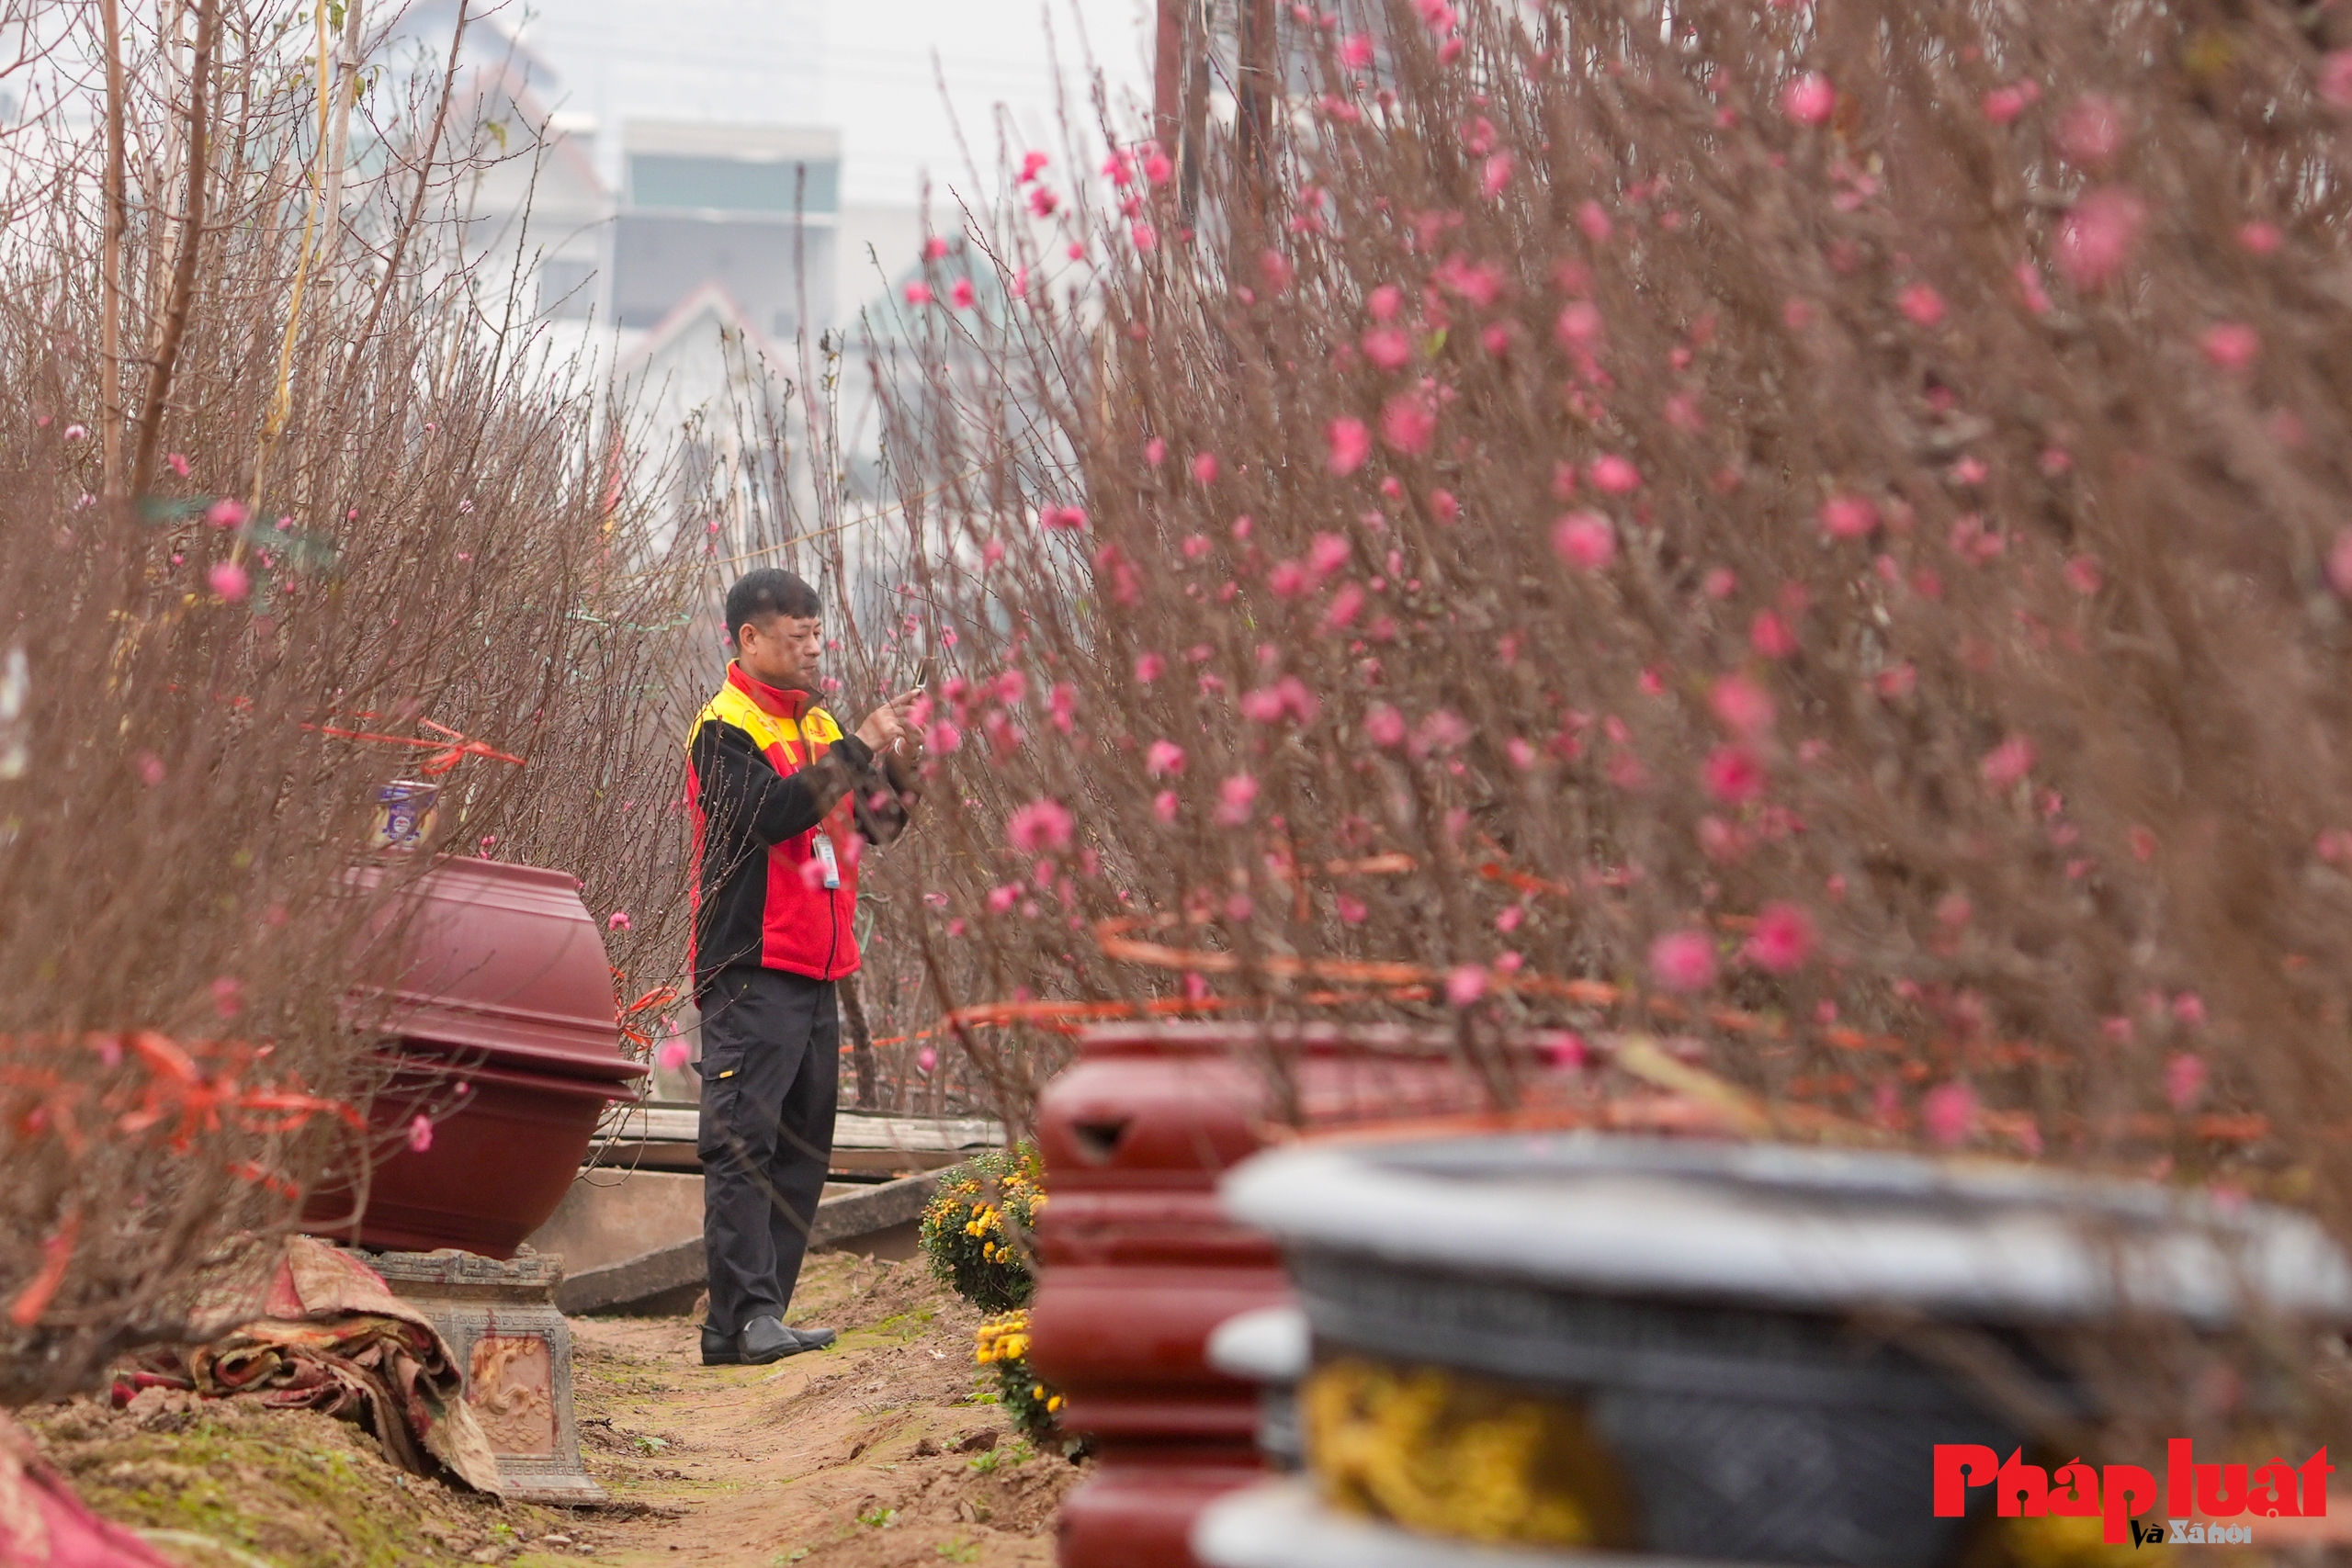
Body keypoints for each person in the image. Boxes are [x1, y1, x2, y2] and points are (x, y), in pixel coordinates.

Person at [685, 568, 921, 1366]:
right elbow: (771, 814)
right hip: (751, 966)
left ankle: (757, 1317)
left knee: (802, 1146)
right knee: (742, 1142)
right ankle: (744, 1312)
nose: (815, 647)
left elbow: (872, 830)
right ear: (750, 639)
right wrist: (858, 745)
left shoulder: (818, 726)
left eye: (819, 633)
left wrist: (902, 764)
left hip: (820, 969)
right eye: (798, 634)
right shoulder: (722, 728)